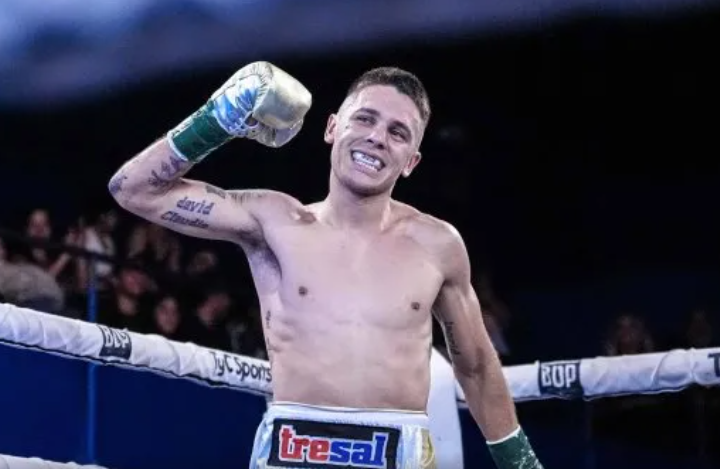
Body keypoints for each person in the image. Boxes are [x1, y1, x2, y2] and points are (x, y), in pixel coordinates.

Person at [109, 61, 543, 469]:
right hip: (293, 448)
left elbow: (476, 366)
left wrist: (522, 464)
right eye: (365, 119)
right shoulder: (273, 222)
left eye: (398, 132)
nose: (377, 137)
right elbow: (133, 190)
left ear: (411, 161)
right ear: (332, 127)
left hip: (398, 451)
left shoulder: (437, 244)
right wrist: (217, 121)